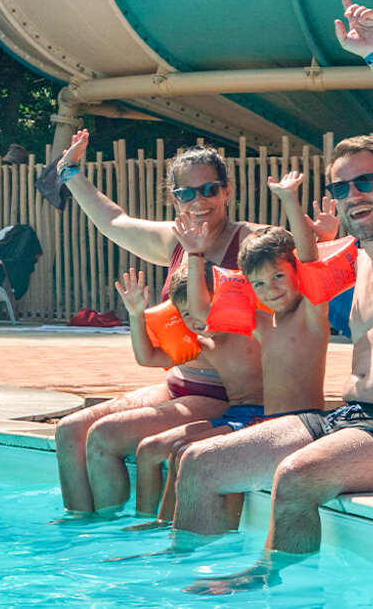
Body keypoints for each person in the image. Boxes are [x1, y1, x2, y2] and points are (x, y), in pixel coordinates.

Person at [172, 0, 373, 593]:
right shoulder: (356, 258)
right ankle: (188, 585)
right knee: (201, 464)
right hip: (350, 419)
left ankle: (277, 594)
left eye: (366, 181)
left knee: (298, 477)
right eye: (341, 187)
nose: (353, 193)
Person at [53, 137, 265, 513]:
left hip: (223, 393)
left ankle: (115, 538)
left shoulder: (250, 242)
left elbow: (302, 261)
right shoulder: (176, 241)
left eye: (209, 190)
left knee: (104, 437)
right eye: (186, 194)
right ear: (174, 197)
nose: (198, 202)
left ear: (227, 191)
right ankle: (79, 536)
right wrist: (69, 172)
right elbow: (113, 220)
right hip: (179, 383)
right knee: (69, 431)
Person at [131, 171, 335, 523]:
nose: (269, 288)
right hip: (266, 422)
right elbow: (202, 313)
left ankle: (208, 538)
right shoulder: (262, 324)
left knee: (198, 457)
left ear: (295, 275)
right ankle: (167, 531)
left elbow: (311, 260)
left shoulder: (311, 318)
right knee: (182, 452)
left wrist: (289, 198)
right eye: (258, 283)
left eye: (278, 277)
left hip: (303, 423)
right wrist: (195, 256)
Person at [79, 259, 263, 516]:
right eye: (186, 314)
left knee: (182, 455)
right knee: (153, 450)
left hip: (250, 417)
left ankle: (163, 525)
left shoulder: (253, 331)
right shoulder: (202, 343)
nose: (196, 319)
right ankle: (148, 525)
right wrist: (136, 314)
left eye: (201, 307)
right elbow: (148, 358)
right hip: (232, 416)